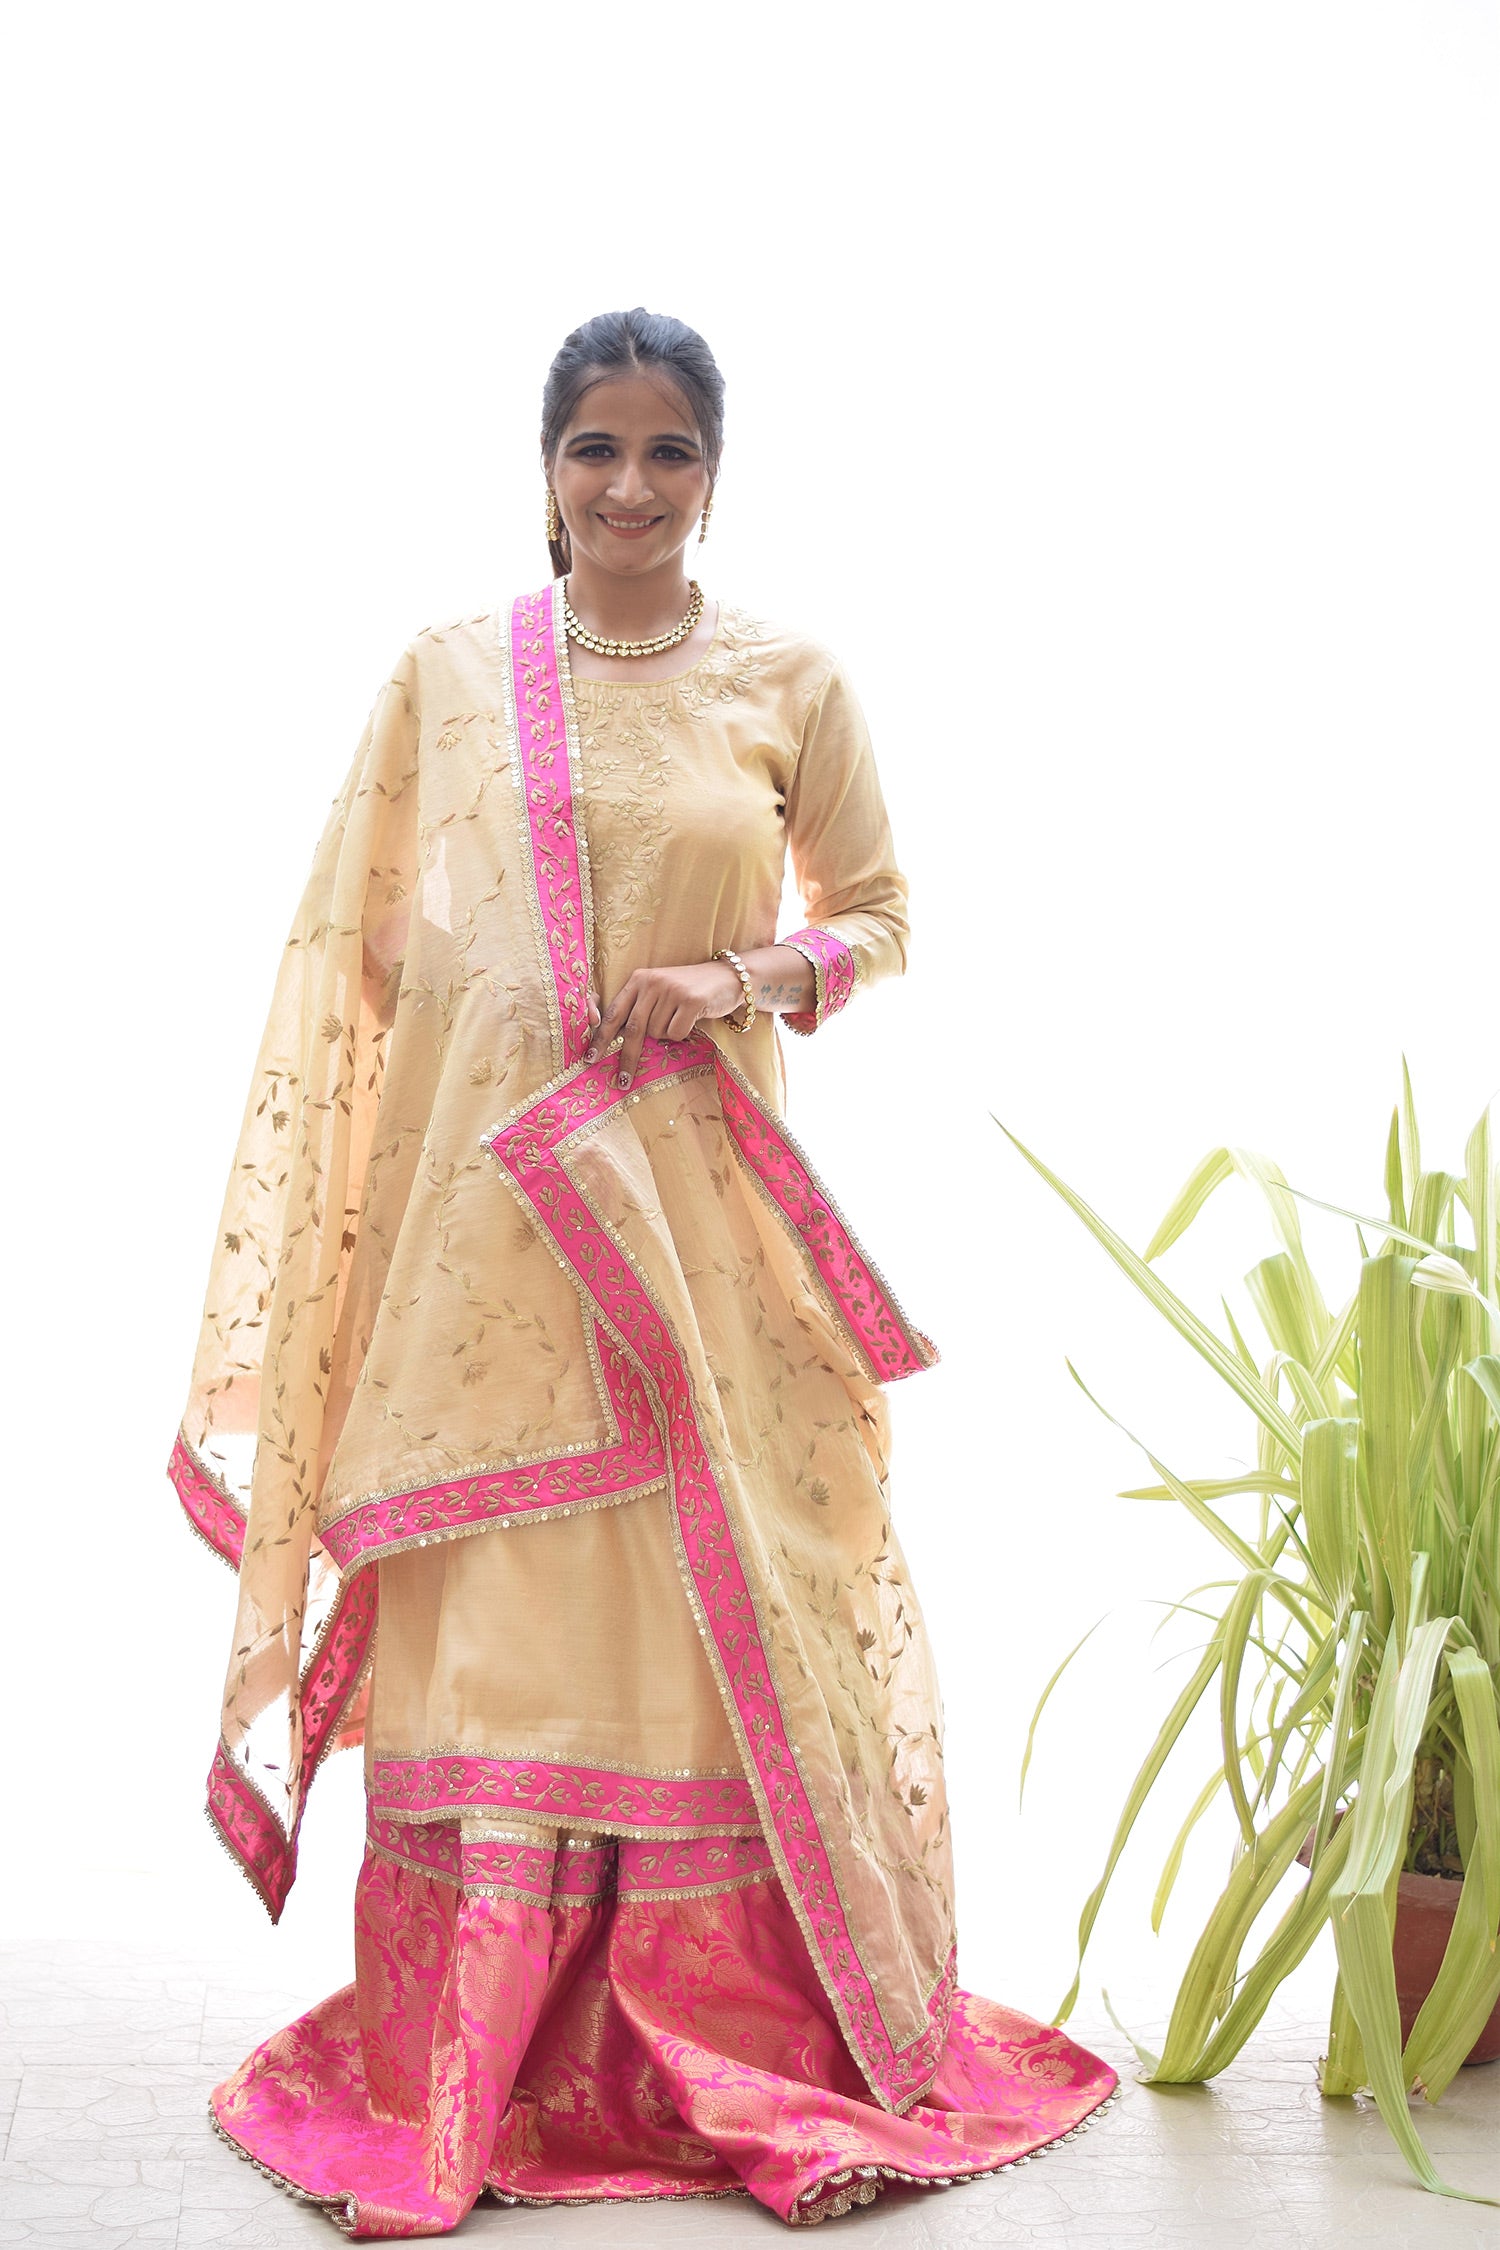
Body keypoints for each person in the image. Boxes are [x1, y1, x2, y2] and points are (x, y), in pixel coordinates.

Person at [169, 306, 1118, 2235]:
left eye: (666, 451)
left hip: (699, 1227)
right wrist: (384, 1200)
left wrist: (747, 976)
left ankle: (725, 2043)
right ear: (543, 473)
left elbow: (882, 920)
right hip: (482, 1235)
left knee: (703, 1620)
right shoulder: (445, 678)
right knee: (507, 1613)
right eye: (592, 449)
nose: (627, 486)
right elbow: (339, 961)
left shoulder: (791, 676)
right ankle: (462, 2073)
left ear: (714, 474)